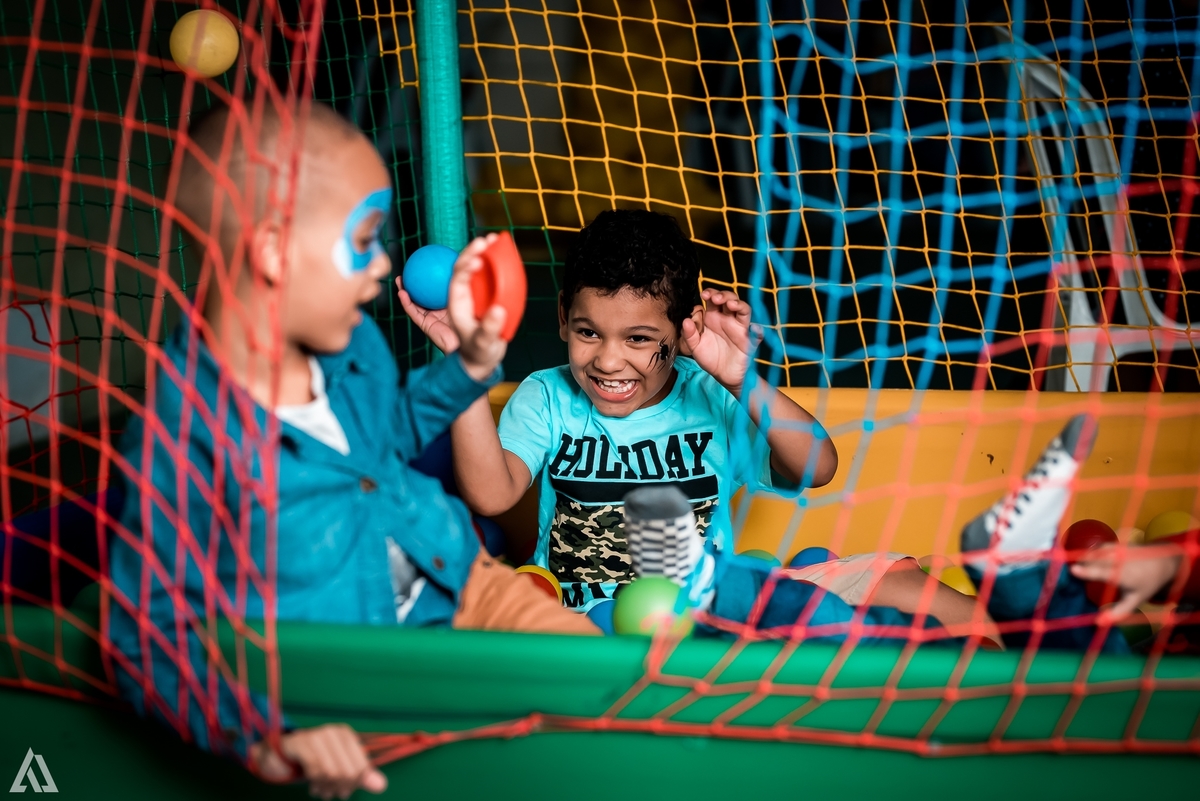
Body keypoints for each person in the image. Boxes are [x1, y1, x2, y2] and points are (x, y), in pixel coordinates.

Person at [108, 101, 594, 801]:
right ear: (273, 252)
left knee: (606, 690)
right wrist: (260, 732)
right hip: (361, 661)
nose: (383, 264)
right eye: (364, 239)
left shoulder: (353, 343)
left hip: (466, 583)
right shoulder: (184, 436)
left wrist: (466, 367)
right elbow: (145, 631)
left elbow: (387, 436)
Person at [404, 209, 993, 642]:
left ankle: (1008, 656)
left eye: (639, 339)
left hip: (713, 607)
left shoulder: (709, 393)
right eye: (589, 333)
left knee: (894, 579)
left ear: (684, 330)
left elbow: (819, 466)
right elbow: (490, 495)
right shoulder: (547, 395)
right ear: (562, 318)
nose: (608, 360)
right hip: (588, 622)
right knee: (516, 624)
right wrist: (464, 369)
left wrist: (742, 380)